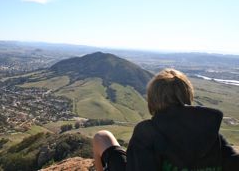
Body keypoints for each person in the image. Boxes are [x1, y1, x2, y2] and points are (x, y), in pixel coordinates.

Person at [93, 68, 239, 171]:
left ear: (153, 99)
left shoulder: (147, 133)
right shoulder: (211, 134)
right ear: (188, 95)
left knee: (102, 136)